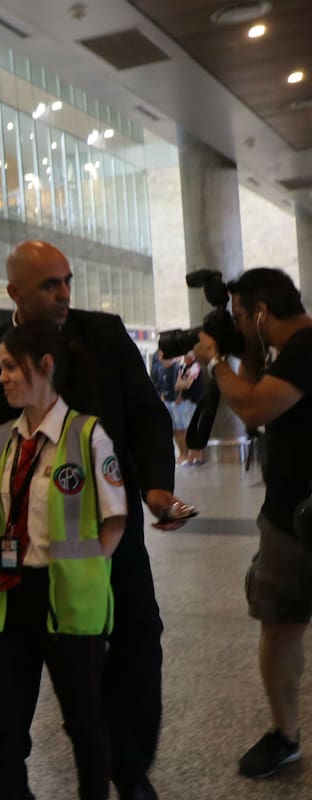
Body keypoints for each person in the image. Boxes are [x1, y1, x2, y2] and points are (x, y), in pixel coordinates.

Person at [0, 240, 191, 800]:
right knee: (26, 684)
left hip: (106, 537)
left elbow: (147, 416)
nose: (64, 294)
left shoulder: (103, 334)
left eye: (66, 281)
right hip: (22, 553)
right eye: (49, 285)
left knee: (136, 642)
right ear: (14, 293)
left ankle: (128, 772)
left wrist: (156, 486)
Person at [0, 320, 126, 800]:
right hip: (8, 596)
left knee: (84, 722)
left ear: (45, 366)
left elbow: (115, 518)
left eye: (11, 367)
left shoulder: (88, 436)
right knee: (2, 729)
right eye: (1, 368)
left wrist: (89, 571)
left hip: (69, 602)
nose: (3, 377)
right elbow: (4, 514)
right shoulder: (3, 438)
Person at [191, 267, 312, 779]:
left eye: (241, 317)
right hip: (288, 521)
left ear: (262, 312)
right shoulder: (286, 353)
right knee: (280, 625)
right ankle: (284, 734)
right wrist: (243, 351)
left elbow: (254, 407)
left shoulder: (307, 349)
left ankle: (285, 734)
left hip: (303, 518)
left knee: (282, 627)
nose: (238, 326)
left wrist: (215, 359)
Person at [172, 352, 204, 466]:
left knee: (192, 430)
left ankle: (196, 457)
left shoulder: (196, 366)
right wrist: (181, 387)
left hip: (193, 402)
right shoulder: (183, 367)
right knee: (186, 430)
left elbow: (187, 385)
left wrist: (182, 383)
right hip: (185, 402)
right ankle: (191, 456)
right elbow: (177, 385)